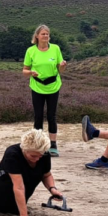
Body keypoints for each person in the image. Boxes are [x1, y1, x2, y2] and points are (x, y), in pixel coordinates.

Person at [22, 24, 67, 157]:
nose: (46, 36)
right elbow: (24, 71)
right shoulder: (31, 51)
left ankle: (53, 145)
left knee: (52, 115)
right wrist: (31, 72)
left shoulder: (55, 49)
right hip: (37, 86)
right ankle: (38, 144)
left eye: (47, 34)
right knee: (38, 115)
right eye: (43, 34)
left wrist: (63, 65)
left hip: (53, 86)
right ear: (37, 36)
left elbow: (60, 70)